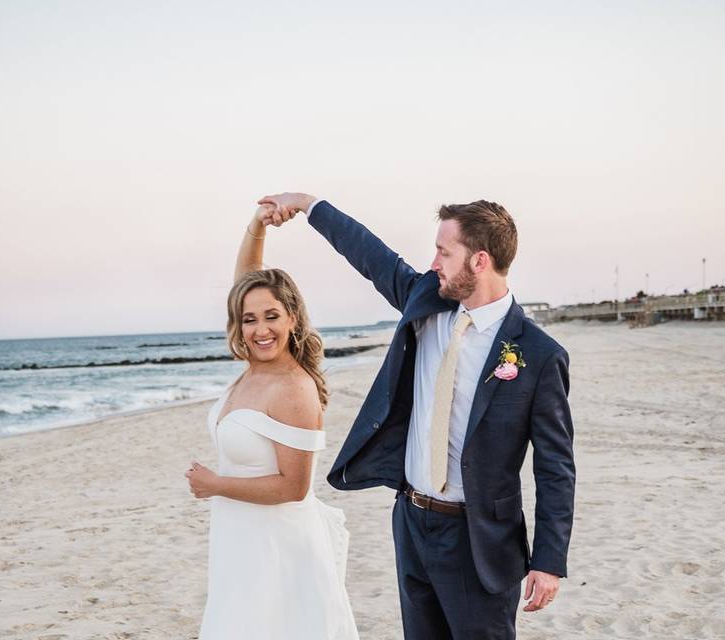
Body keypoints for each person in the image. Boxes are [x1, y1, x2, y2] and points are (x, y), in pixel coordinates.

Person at [257, 193, 576, 640]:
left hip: (480, 539)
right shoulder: (427, 299)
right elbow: (370, 255)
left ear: (480, 261)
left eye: (445, 252)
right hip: (411, 523)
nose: (434, 262)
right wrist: (310, 205)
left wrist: (548, 560)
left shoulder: (539, 356)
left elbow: (555, 466)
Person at [185, 205, 358, 639]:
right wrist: (257, 225)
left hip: (277, 548)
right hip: (239, 542)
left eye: (272, 316)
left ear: (292, 318)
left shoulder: (294, 388)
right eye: (249, 319)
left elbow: (293, 486)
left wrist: (215, 484)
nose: (261, 329)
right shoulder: (254, 366)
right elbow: (248, 283)